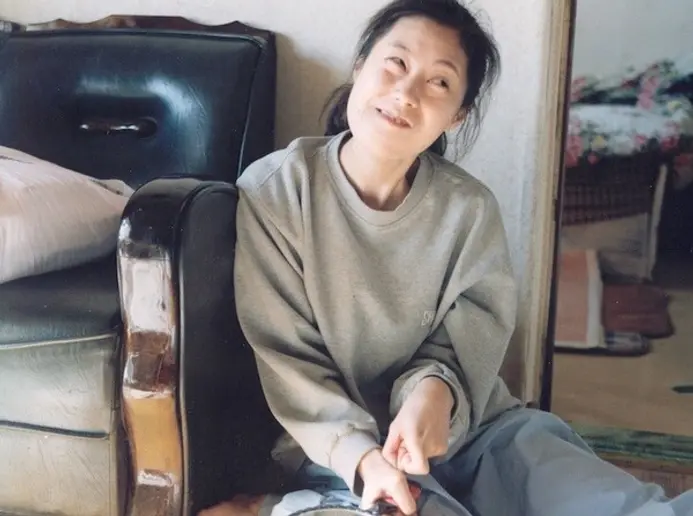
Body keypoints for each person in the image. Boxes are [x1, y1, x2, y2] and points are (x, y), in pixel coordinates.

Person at [202, 1, 693, 515]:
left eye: (439, 82)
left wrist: (435, 393)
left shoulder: (469, 210)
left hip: (478, 434)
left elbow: (466, 343)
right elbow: (288, 362)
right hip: (337, 454)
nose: (406, 93)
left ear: (457, 115)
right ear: (360, 66)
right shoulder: (276, 192)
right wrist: (365, 459)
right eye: (396, 63)